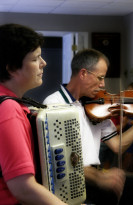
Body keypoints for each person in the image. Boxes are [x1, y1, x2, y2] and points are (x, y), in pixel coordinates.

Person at [43, 48, 133, 205]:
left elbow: (116, 146)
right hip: (73, 181)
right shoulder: (54, 104)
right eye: (100, 78)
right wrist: (100, 177)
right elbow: (61, 161)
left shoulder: (98, 106)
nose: (103, 84)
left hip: (97, 176)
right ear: (83, 73)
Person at [0, 23, 67, 205]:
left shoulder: (12, 104)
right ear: (12, 68)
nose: (43, 63)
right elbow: (23, 187)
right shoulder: (7, 109)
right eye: (36, 58)